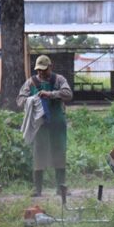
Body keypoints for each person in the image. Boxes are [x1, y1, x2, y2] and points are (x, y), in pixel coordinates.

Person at [16, 55, 73, 197]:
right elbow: (20, 100)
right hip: (39, 124)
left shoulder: (59, 80)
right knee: (39, 154)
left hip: (57, 122)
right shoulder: (31, 82)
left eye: (44, 70)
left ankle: (61, 187)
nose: (41, 73)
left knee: (59, 152)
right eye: (38, 70)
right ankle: (37, 189)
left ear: (50, 67)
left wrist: (51, 94)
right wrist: (31, 100)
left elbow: (68, 94)